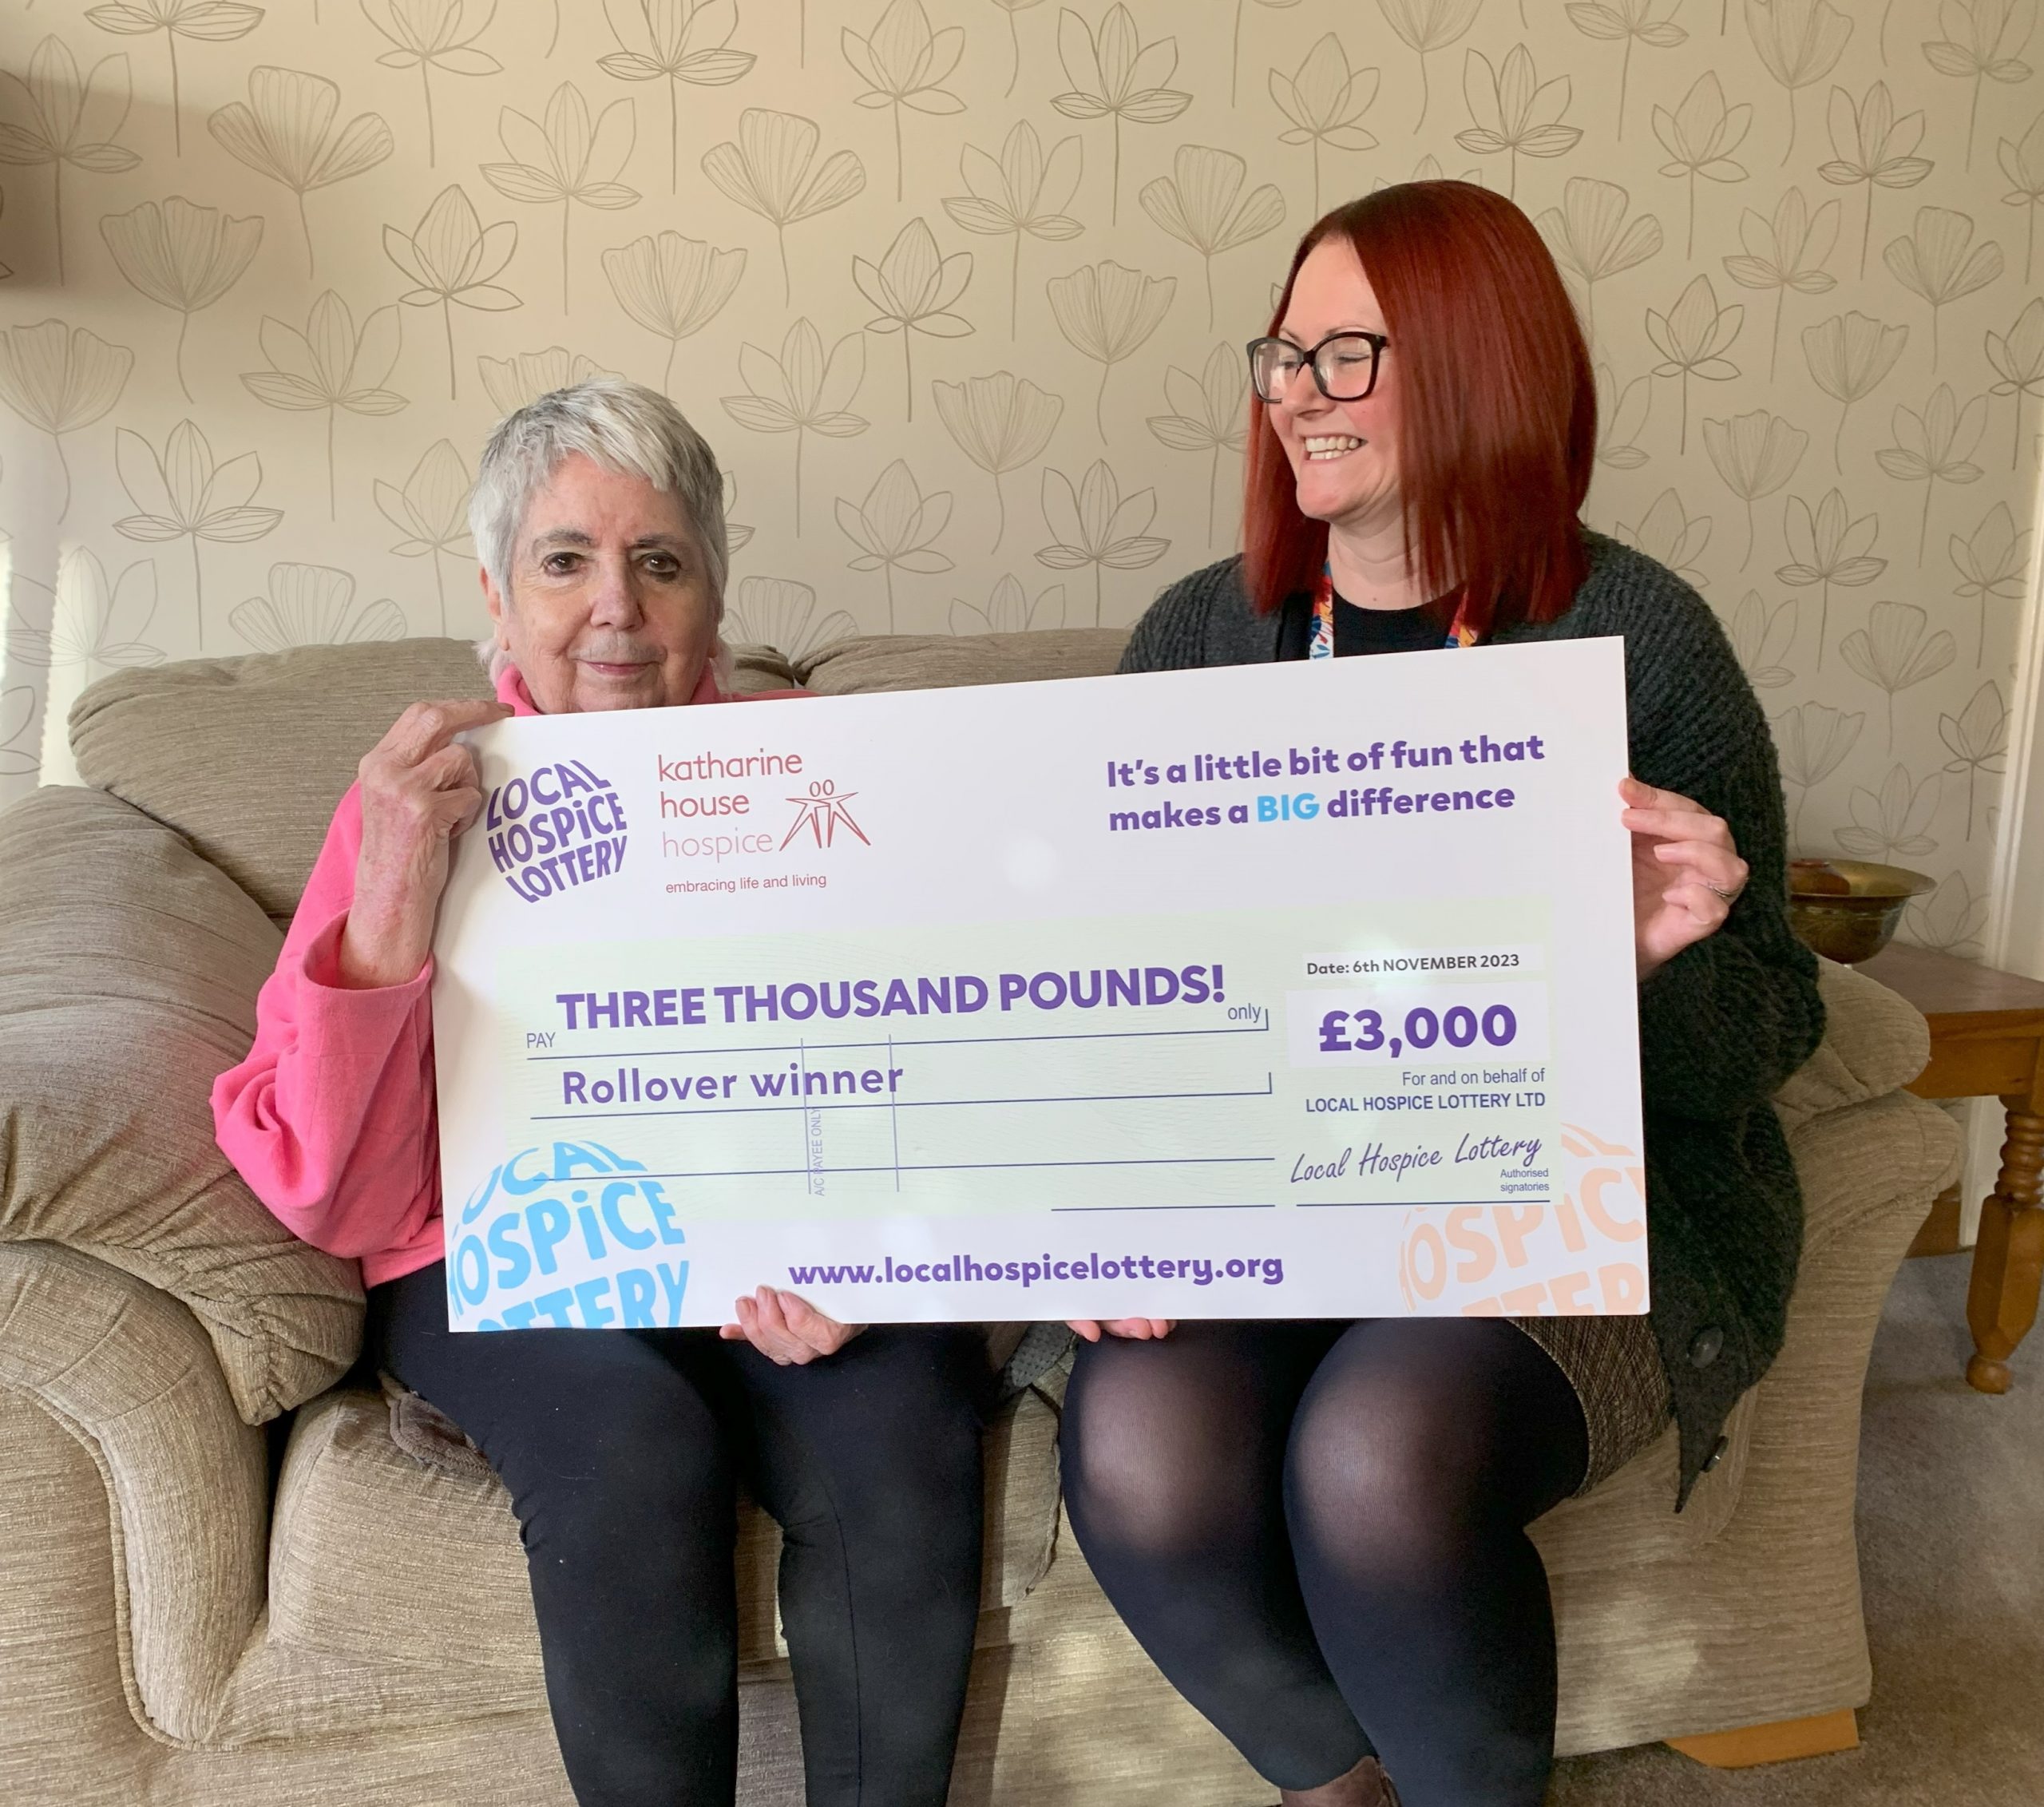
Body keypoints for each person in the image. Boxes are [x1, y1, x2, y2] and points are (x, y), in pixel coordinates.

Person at [1056, 182, 1825, 1807]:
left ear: (1482, 364)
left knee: (1374, 1455)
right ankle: (1343, 1785)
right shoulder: (1201, 636)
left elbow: (1771, 1037)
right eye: (1283, 352)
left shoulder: (1636, 639)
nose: (1297, 393)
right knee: (1135, 1444)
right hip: (1275, 1202)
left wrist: (1640, 964)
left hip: (1567, 1210)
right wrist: (1093, 1208)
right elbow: (1114, 995)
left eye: (1351, 352)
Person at [212, 380, 988, 1807]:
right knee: (634, 1441)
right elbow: (333, 1194)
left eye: (661, 560)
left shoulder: (818, 770)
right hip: (504, 1255)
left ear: (714, 595)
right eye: (565, 561)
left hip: (776, 1242)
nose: (615, 607)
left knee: (901, 1410)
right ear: (498, 605)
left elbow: (928, 1052)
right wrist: (392, 895)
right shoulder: (415, 793)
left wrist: (866, 1240)